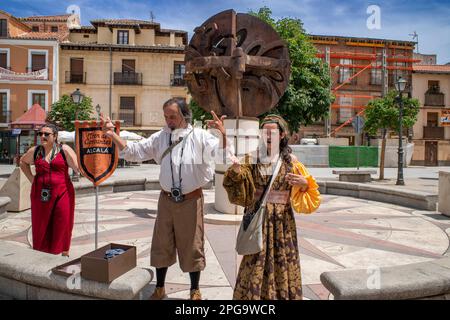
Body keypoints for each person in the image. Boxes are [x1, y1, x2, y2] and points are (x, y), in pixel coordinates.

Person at [101, 98, 229, 300]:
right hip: (166, 200)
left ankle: (194, 290)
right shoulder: (161, 137)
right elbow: (135, 152)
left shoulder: (200, 136)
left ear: (184, 115)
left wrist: (222, 134)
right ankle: (159, 288)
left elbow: (221, 155)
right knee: (161, 244)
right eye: (166, 116)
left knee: (192, 245)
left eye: (173, 116)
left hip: (191, 199)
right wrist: (113, 135)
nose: (168, 120)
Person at [223, 114, 321, 300]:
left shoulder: (291, 160)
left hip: (282, 221)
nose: (268, 135)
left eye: (272, 132)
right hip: (258, 218)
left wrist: (304, 183)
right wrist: (236, 171)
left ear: (282, 135)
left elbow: (310, 195)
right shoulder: (252, 157)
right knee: (255, 259)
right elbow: (237, 178)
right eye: (264, 131)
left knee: (282, 258)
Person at [20, 123, 79, 256]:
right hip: (40, 195)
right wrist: (32, 179)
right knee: (41, 224)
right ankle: (42, 253)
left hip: (63, 192)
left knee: (62, 221)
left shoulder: (64, 150)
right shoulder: (35, 151)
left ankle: (63, 253)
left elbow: (78, 168)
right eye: (40, 134)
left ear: (55, 136)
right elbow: (23, 162)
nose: (43, 136)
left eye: (47, 134)